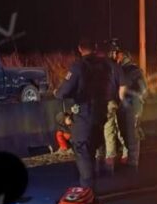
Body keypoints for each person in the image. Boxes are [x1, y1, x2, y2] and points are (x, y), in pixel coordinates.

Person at [55, 37, 118, 189]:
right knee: (91, 151)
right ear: (95, 47)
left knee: (82, 151)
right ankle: (91, 189)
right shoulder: (106, 66)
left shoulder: (79, 66)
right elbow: (112, 89)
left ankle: (87, 193)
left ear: (80, 48)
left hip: (84, 115)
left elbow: (63, 92)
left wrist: (59, 92)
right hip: (101, 115)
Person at [113, 48, 146, 167]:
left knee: (132, 133)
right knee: (124, 132)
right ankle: (129, 157)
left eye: (117, 55)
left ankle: (133, 162)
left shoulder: (134, 70)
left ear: (122, 55)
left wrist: (135, 101)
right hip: (123, 106)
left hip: (132, 105)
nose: (115, 57)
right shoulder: (118, 70)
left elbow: (142, 89)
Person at [101, 40, 127, 172]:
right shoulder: (116, 68)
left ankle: (102, 159)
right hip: (111, 103)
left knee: (106, 130)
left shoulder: (97, 67)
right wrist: (121, 104)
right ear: (114, 53)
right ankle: (111, 160)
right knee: (111, 130)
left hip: (97, 104)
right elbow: (122, 88)